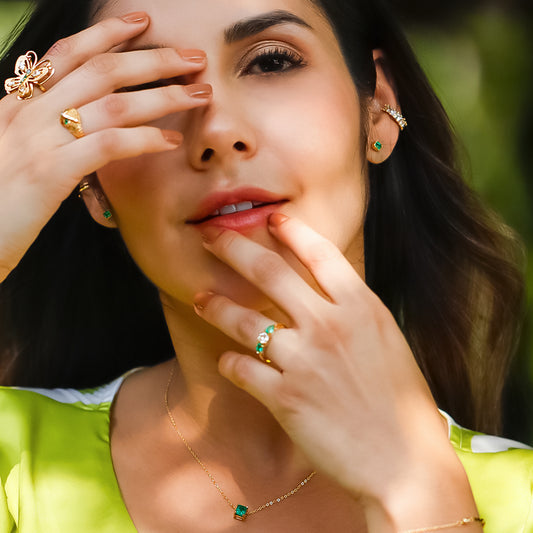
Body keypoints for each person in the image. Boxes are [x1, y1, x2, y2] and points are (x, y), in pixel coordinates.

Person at [0, 0, 531, 531]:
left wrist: (418, 494)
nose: (217, 132)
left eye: (271, 62)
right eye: (147, 88)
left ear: (377, 107)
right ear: (91, 184)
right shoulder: (14, 462)